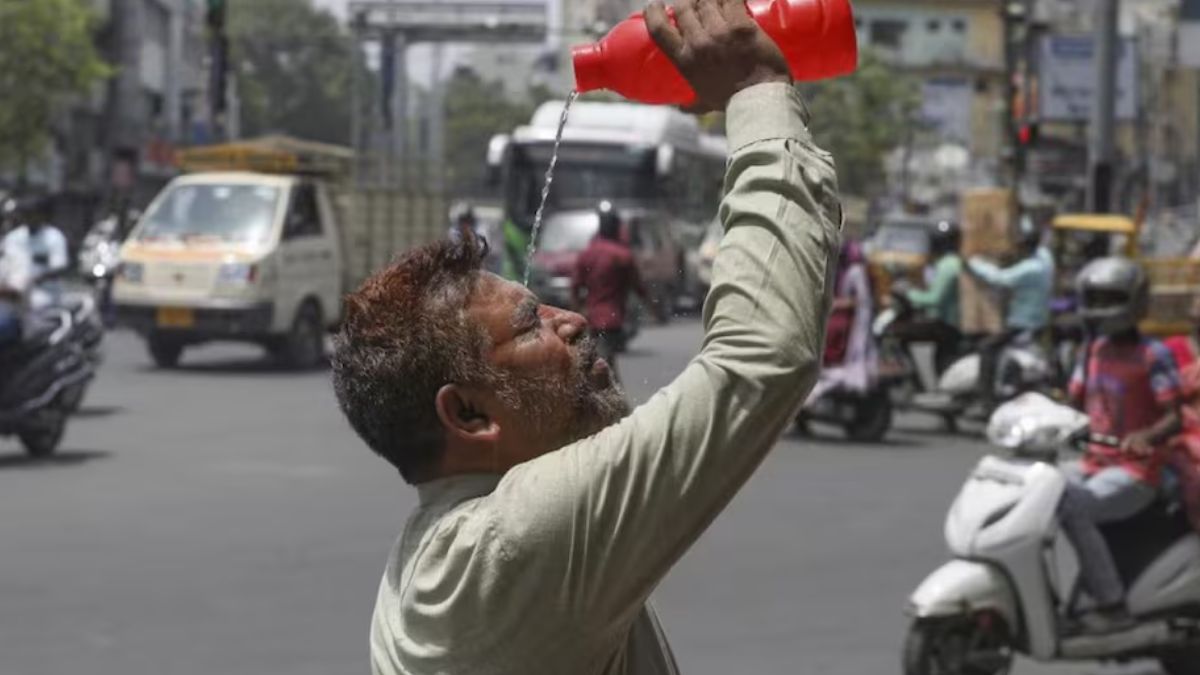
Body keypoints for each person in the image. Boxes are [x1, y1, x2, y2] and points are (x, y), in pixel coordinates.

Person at [330, 2, 841, 672]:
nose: (569, 320)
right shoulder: (514, 543)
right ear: (469, 414)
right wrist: (756, 90)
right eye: (530, 325)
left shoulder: (442, 553)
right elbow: (761, 356)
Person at [1060, 257, 1182, 631]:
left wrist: (1146, 436)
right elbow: (1073, 402)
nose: (1100, 308)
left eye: (1109, 298)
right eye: (1094, 298)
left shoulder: (1152, 354)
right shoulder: (1091, 350)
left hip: (1136, 471)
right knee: (1035, 489)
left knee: (1073, 507)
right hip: (1093, 462)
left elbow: (1175, 415)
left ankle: (1111, 604)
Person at [965, 219, 1055, 411]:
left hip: (1022, 322)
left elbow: (1000, 278)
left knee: (987, 348)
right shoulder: (1045, 258)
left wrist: (974, 262)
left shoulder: (1030, 268)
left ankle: (986, 399)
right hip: (1038, 320)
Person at [570, 200, 660, 382]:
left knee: (599, 365)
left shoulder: (587, 254)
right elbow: (638, 286)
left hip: (592, 320)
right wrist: (652, 307)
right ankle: (614, 398)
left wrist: (576, 313)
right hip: (613, 320)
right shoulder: (623, 256)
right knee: (606, 367)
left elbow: (575, 288)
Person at [810, 239, 875, 401]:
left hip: (853, 318)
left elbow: (861, 300)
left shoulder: (855, 271)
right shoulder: (838, 269)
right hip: (839, 313)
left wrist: (837, 304)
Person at [901, 219, 962, 372]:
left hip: (948, 324)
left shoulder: (947, 265)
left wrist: (909, 294)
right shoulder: (950, 262)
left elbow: (934, 299)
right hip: (947, 322)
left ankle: (911, 374)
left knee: (900, 332)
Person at [2, 195, 69, 310]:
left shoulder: (54, 237)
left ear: (42, 215)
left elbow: (59, 267)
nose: (29, 217)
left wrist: (34, 279)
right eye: (26, 214)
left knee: (35, 306)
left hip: (44, 294)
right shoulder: (13, 238)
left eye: (32, 213)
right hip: (13, 293)